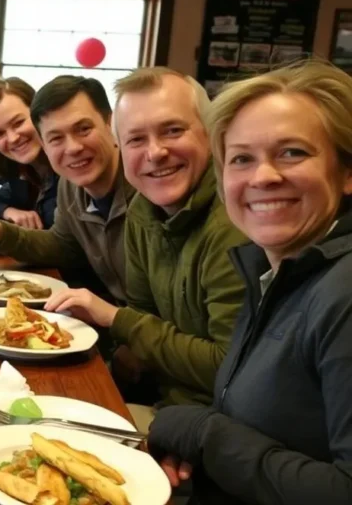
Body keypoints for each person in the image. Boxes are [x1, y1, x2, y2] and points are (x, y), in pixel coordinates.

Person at [149, 60, 352, 504]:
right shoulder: (276, 269)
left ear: (346, 171)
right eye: (241, 158)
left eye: (292, 152)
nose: (263, 176)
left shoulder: (343, 292)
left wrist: (206, 435)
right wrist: (198, 449)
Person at [42, 68, 248, 428]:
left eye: (173, 130)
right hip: (168, 403)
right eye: (137, 139)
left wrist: (113, 319)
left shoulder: (235, 223)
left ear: (212, 132)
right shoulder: (143, 209)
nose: (156, 152)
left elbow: (230, 368)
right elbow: (142, 312)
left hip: (215, 424)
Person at [0, 75, 134, 304]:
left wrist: (113, 319)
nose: (73, 148)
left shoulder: (144, 183)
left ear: (110, 123)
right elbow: (61, 244)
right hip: (85, 304)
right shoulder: (70, 182)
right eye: (56, 138)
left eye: (83, 129)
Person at [0, 76, 58, 230]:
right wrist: (6, 211)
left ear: (38, 113)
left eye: (18, 123)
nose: (13, 138)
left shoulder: (68, 161)